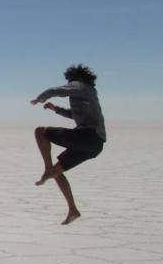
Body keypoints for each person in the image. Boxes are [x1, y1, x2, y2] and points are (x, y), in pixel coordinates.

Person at [30, 64, 106, 225]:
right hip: (94, 144)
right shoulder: (89, 93)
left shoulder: (79, 86)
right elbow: (75, 115)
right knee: (58, 172)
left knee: (40, 132)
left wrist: (41, 98)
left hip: (88, 136)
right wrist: (55, 109)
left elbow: (56, 90)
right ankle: (73, 210)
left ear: (74, 77)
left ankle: (47, 169)